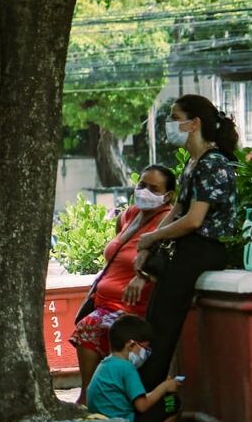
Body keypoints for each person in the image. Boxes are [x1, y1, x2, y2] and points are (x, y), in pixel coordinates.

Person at [133, 94, 239, 392]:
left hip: (202, 249)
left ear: (195, 123)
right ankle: (145, 395)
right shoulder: (193, 163)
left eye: (176, 118)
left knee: (162, 327)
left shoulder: (213, 163)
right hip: (186, 249)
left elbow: (193, 220)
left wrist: (153, 237)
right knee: (155, 320)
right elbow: (177, 211)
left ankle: (147, 400)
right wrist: (147, 246)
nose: (171, 124)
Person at [69, 165, 176, 405]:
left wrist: (144, 275)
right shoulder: (129, 215)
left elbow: (167, 259)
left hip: (131, 307)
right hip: (103, 302)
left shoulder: (167, 220)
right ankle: (90, 395)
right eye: (142, 185)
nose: (145, 192)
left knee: (89, 327)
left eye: (154, 189)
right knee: (90, 330)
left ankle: (89, 398)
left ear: (167, 195)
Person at [86, 315, 183, 422]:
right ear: (131, 345)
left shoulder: (106, 364)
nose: (146, 353)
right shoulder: (127, 368)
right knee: (172, 403)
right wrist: (165, 387)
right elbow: (142, 405)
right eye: (145, 348)